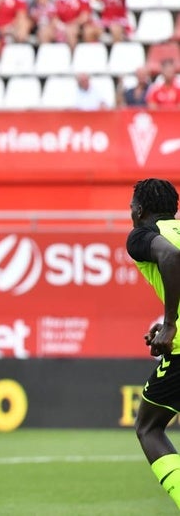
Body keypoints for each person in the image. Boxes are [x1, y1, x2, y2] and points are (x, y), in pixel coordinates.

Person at [127, 178, 180, 510]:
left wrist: (171, 324)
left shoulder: (142, 236)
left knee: (148, 426)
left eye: (131, 205)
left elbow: (171, 258)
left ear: (139, 210)